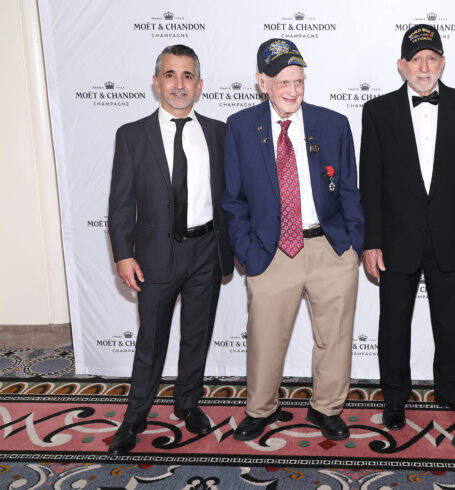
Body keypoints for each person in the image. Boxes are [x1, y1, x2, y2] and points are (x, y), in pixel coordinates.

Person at [222, 39, 364, 442]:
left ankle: (327, 408)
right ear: (261, 82)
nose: (292, 90)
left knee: (334, 338)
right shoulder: (239, 127)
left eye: (298, 81)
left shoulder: (333, 124)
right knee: (265, 340)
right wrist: (248, 252)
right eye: (282, 81)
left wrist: (352, 245)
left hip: (329, 247)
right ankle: (260, 409)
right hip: (271, 251)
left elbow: (351, 189)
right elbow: (233, 199)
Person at [359, 24, 455, 431]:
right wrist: (371, 241)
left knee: (451, 322)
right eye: (416, 59)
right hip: (396, 238)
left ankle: (449, 390)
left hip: (451, 236)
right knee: (393, 323)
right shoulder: (376, 112)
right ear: (401, 66)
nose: (424, 66)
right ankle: (395, 398)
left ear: (443, 63)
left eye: (432, 58)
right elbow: (371, 182)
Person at [107, 44, 234, 455]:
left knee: (196, 336)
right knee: (152, 341)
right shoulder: (131, 135)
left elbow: (231, 196)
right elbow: (121, 201)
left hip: (206, 251)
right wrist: (123, 254)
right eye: (170, 75)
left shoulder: (219, 132)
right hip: (155, 257)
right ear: (156, 81)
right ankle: (135, 416)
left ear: (200, 85)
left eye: (187, 76)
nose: (179, 85)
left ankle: (188, 402)